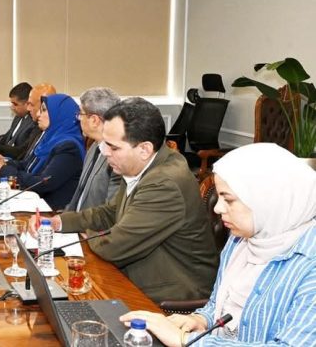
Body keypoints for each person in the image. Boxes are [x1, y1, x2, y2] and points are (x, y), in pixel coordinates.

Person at [120, 143, 316, 346]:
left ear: (268, 200)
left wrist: (185, 340)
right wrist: (200, 320)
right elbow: (219, 305)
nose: (218, 208)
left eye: (228, 200)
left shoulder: (310, 266)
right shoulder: (240, 238)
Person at [33, 97, 218, 302]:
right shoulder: (139, 165)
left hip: (171, 291)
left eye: (113, 147)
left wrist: (86, 235)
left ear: (144, 149)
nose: (105, 153)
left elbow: (115, 246)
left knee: (66, 298)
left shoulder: (164, 183)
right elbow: (111, 212)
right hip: (140, 271)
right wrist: (60, 222)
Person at [0, 93, 84, 209]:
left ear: (59, 115)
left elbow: (43, 183)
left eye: (44, 110)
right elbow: (27, 165)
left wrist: (3, 169)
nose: (38, 114)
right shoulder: (50, 139)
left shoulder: (69, 147)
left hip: (49, 210)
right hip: (33, 200)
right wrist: (4, 162)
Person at [64, 87, 122, 211]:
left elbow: (111, 211)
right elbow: (78, 196)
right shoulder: (94, 147)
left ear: (94, 120)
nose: (78, 118)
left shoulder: (116, 158)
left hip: (92, 223)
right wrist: (62, 219)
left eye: (80, 114)